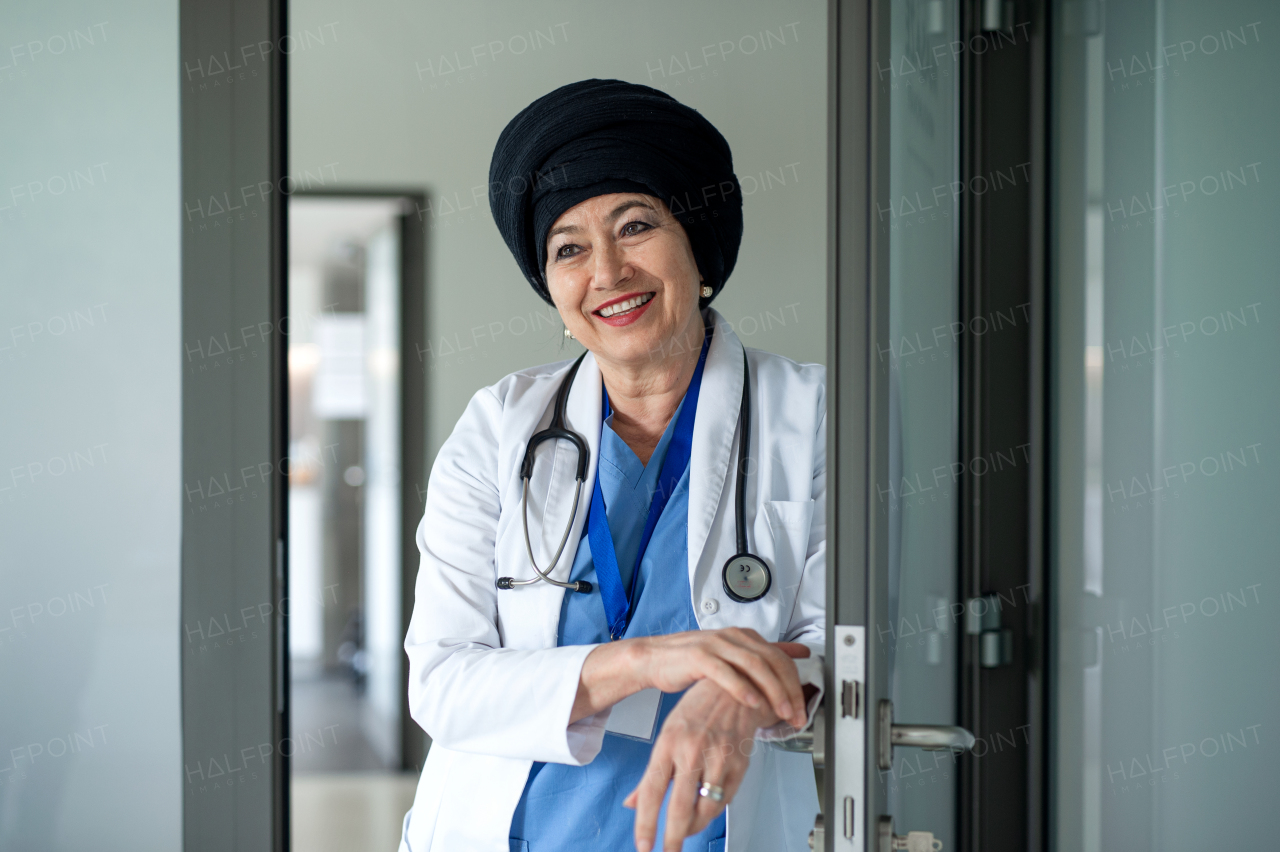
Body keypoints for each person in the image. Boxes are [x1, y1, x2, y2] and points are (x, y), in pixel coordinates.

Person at [399, 79, 826, 852]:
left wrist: (743, 692)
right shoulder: (498, 427)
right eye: (568, 247)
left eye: (636, 226)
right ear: (551, 287)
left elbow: (844, 638)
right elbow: (442, 682)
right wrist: (652, 662)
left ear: (698, 245)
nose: (607, 271)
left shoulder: (817, 415)